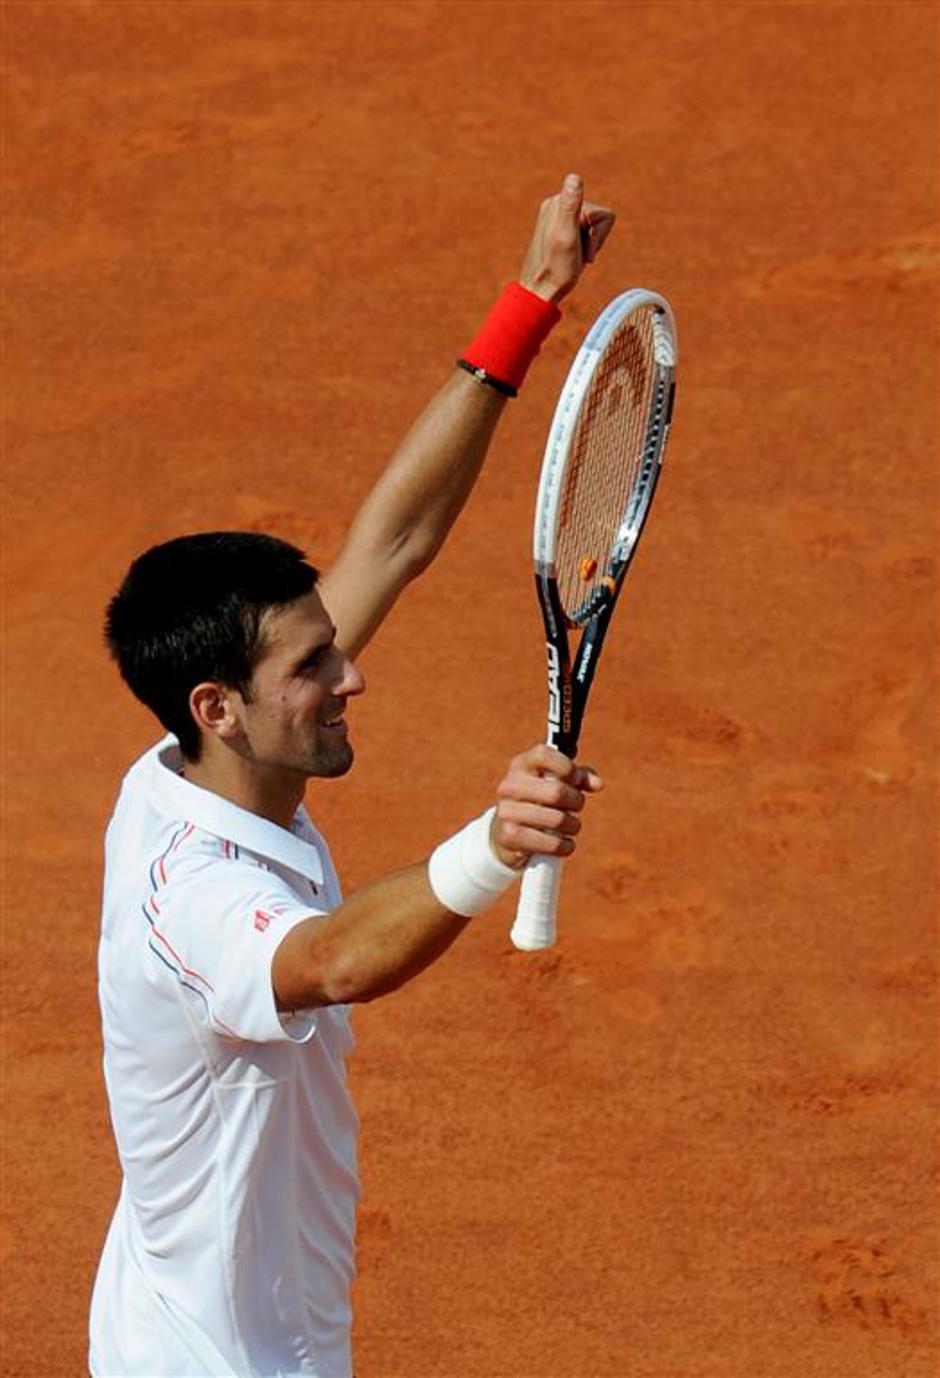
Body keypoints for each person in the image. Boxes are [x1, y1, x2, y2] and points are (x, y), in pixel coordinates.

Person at [89, 173, 614, 1378]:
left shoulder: (198, 759)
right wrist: (494, 842)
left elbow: (395, 539)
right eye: (313, 665)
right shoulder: (196, 892)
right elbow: (327, 961)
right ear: (217, 705)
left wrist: (530, 302)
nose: (351, 677)